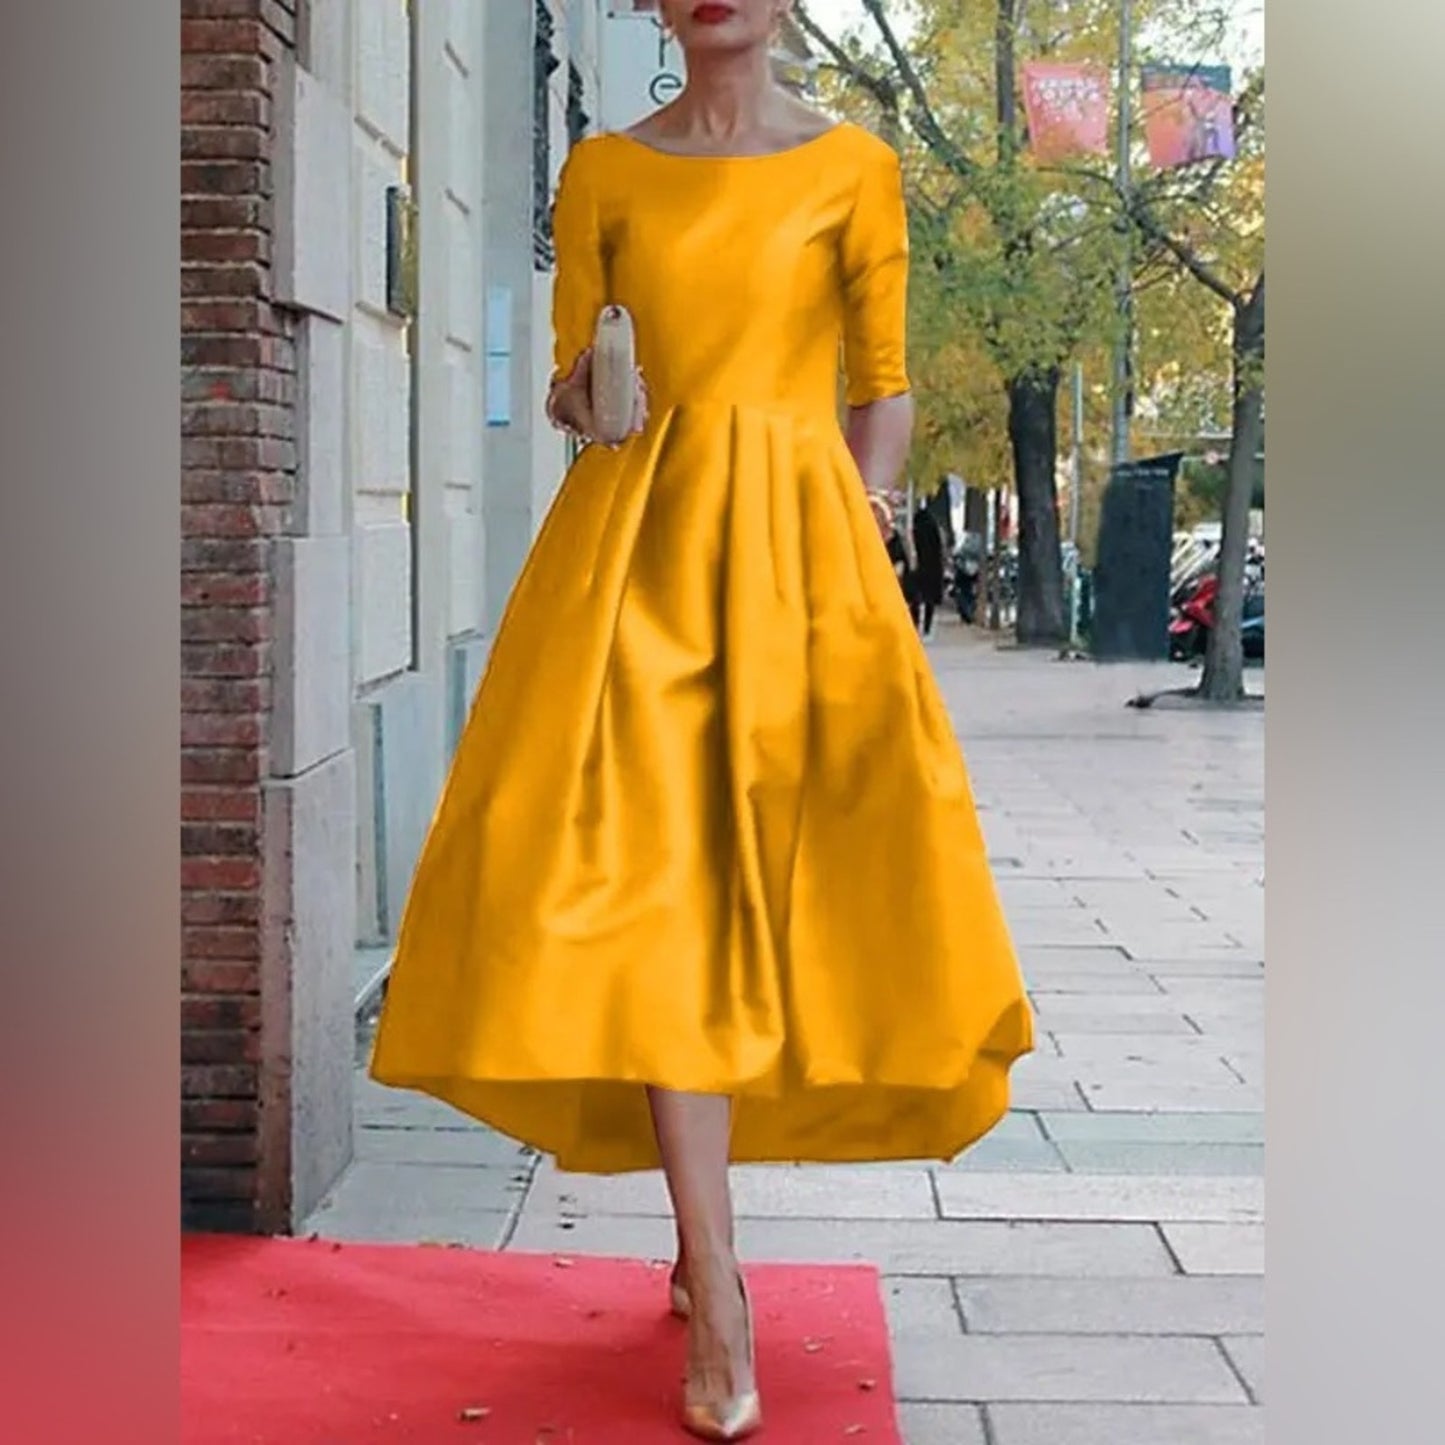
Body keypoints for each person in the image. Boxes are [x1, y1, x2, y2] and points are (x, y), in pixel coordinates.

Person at [368, 1, 1033, 1437]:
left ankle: (701, 1230)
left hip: (801, 556)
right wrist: (582, 394)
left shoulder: (854, 164)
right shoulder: (603, 166)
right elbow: (572, 380)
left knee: (799, 882)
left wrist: (859, 531)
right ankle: (718, 1275)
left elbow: (881, 384)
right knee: (662, 891)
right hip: (640, 565)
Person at [911, 497, 945, 638]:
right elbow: (939, 548)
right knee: (929, 600)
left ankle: (916, 624)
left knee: (916, 597)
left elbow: (915, 547)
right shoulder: (933, 528)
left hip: (920, 566)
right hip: (933, 567)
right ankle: (926, 627)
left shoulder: (917, 528)